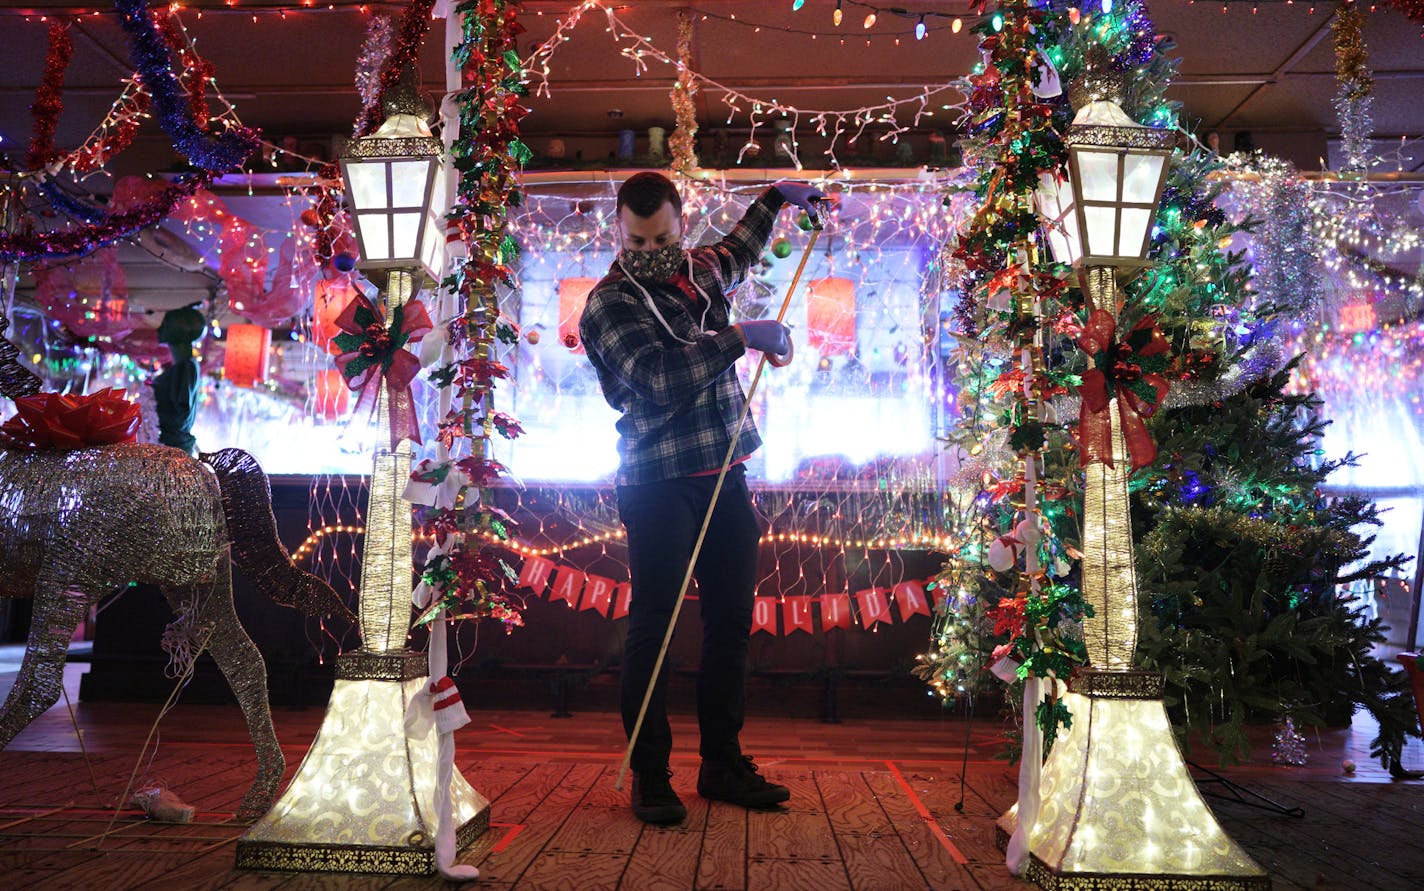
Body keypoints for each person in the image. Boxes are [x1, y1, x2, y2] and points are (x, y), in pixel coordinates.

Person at [578, 172, 824, 824]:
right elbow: (658, 380)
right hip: (657, 482)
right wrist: (744, 337)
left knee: (729, 624)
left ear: (681, 224)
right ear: (619, 230)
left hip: (725, 471)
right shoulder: (607, 305)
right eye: (637, 238)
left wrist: (778, 195)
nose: (651, 248)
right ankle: (650, 774)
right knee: (653, 630)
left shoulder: (700, 267)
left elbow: (740, 248)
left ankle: (720, 760)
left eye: (662, 236)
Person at [152, 305, 205, 455]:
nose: (159, 329)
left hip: (171, 450)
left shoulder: (186, 367)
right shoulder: (185, 366)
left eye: (166, 324)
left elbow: (181, 411)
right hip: (169, 446)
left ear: (180, 330)